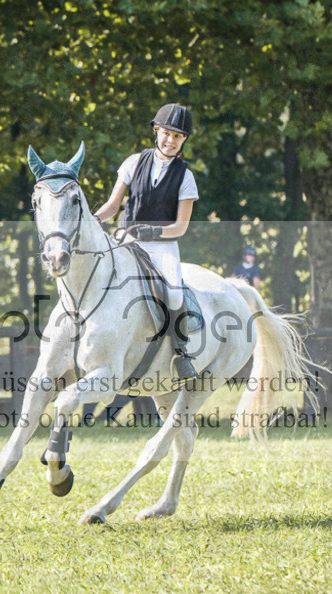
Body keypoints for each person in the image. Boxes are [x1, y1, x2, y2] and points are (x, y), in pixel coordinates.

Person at [93, 103, 200, 387]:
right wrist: (93, 220)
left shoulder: (186, 177)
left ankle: (180, 353)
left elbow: (181, 226)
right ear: (156, 131)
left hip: (162, 246)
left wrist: (154, 231)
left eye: (178, 136)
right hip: (127, 240)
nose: (171, 140)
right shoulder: (132, 162)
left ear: (183, 140)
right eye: (166, 133)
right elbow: (114, 205)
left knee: (175, 294)